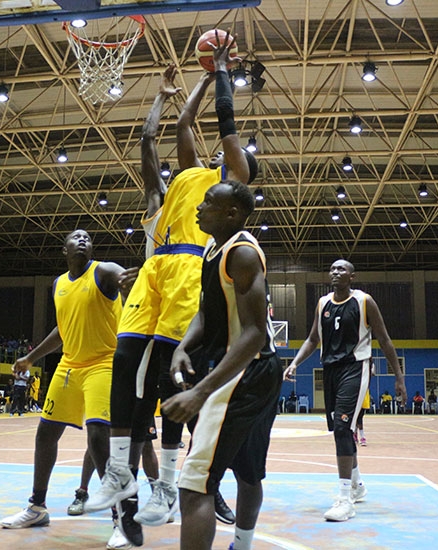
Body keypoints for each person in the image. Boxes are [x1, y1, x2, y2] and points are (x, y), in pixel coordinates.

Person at [86, 34, 256, 538]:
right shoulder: (187, 176)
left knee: (165, 377)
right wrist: (196, 80)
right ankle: (119, 472)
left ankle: (164, 483)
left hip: (186, 270)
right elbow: (181, 124)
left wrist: (222, 73)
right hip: (156, 269)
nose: (208, 151)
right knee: (125, 358)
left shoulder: (234, 176)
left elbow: (225, 130)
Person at [161, 180, 281, 550]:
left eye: (208, 202)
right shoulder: (213, 248)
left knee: (195, 484)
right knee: (247, 473)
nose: (199, 207)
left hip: (245, 371)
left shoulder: (242, 254)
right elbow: (205, 309)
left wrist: (200, 391)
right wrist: (183, 346)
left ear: (232, 213)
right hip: (250, 369)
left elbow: (254, 334)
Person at [0, 229, 135, 530]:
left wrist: (132, 285)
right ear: (64, 250)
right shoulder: (59, 284)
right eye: (76, 237)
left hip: (104, 363)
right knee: (45, 434)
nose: (83, 240)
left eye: (88, 237)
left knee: (98, 437)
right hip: (69, 365)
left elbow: (128, 282)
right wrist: (31, 357)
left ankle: (121, 518)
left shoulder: (104, 272)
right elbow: (63, 330)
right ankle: (37, 507)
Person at [284, 259, 407, 522]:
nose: (336, 272)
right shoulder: (323, 304)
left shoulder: (364, 302)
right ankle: (358, 485)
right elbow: (313, 339)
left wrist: (399, 378)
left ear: (352, 276)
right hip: (330, 370)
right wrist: (294, 363)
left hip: (355, 367)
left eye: (342, 269)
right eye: (332, 269)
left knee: (342, 429)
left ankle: (344, 500)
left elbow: (384, 340)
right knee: (342, 430)